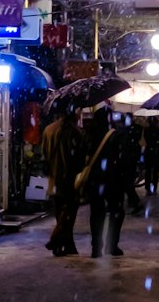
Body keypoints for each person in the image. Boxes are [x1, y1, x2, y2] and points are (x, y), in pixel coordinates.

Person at [81, 106, 128, 258]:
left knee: (96, 213)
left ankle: (96, 248)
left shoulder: (90, 134)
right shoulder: (115, 135)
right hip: (112, 180)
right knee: (116, 212)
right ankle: (111, 245)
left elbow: (85, 156)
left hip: (95, 180)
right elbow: (121, 159)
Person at [42, 110, 86, 256]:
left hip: (53, 179)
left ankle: (66, 245)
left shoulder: (48, 130)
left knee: (59, 210)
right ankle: (57, 241)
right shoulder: (76, 133)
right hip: (69, 179)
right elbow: (80, 160)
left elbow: (44, 155)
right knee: (69, 212)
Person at [143, 117, 159, 196]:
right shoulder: (150, 130)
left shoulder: (156, 130)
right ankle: (151, 187)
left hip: (153, 151)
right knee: (151, 170)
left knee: (152, 171)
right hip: (152, 151)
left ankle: (151, 187)